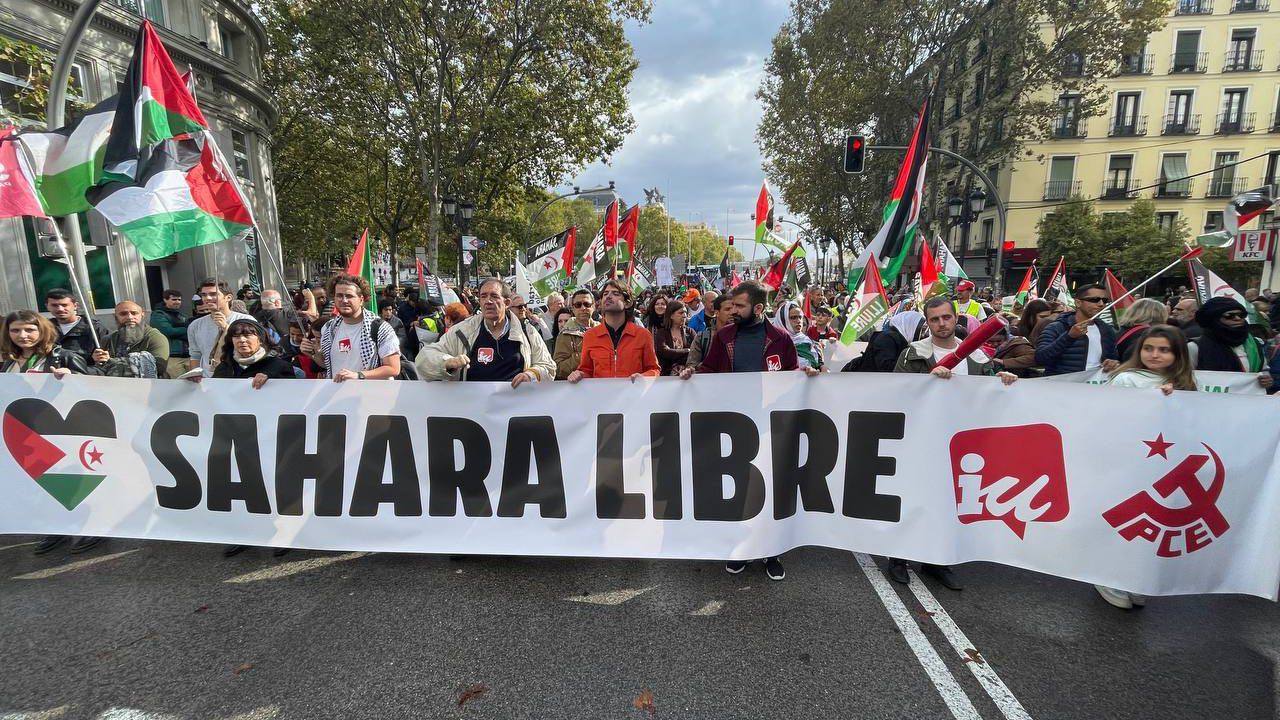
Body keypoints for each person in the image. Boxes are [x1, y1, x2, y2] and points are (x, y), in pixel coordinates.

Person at [679, 280, 819, 582]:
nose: (733, 311)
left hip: (769, 427)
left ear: (758, 308)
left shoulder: (780, 339)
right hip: (735, 427)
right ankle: (741, 547)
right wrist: (693, 372)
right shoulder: (725, 336)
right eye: (732, 306)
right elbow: (710, 370)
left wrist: (804, 375)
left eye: (739, 306)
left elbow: (791, 376)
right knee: (739, 489)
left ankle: (772, 551)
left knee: (769, 490)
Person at [888, 297, 1017, 589]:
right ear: (927, 322)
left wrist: (1004, 381)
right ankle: (898, 557)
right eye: (934, 319)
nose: (941, 324)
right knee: (911, 499)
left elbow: (989, 395)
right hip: (921, 440)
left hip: (961, 444)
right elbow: (897, 392)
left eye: (946, 317)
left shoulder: (978, 358)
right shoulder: (914, 354)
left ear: (955, 317)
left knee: (947, 503)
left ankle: (936, 560)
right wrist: (927, 380)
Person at [1094, 324, 1198, 609]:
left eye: (1164, 350)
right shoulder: (1127, 379)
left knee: (1151, 524)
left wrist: (1177, 399)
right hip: (1128, 462)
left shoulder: (1186, 384)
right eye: (1149, 348)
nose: (1155, 355)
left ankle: (1134, 577)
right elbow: (1107, 414)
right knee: (1124, 519)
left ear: (1178, 355)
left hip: (1163, 468)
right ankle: (1108, 576)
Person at [2, 310, 96, 555]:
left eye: (30, 329)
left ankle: (94, 528)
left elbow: (95, 388)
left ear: (41, 330)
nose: (23, 335)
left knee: (74, 481)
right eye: (16, 330)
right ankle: (57, 528)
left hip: (62, 432)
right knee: (43, 484)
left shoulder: (61, 356)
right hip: (26, 433)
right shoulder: (8, 363)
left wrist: (72, 376)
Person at [210, 319, 298, 557]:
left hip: (273, 439)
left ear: (260, 338)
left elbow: (296, 398)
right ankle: (246, 534)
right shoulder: (224, 369)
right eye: (237, 335)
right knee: (243, 488)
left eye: (248, 334)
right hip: (238, 439)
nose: (242, 339)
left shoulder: (277, 366)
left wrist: (270, 378)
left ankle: (285, 534)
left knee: (276, 486)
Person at [417, 278, 554, 386]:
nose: (488, 301)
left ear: (506, 303)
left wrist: (531, 374)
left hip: (515, 412)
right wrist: (447, 363)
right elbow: (423, 359)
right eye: (483, 296)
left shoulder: (527, 332)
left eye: (494, 296)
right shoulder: (462, 331)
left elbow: (548, 367)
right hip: (474, 413)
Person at [300, 273, 402, 382]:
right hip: (338, 394)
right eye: (339, 295)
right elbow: (328, 364)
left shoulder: (380, 328)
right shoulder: (329, 328)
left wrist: (358, 375)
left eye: (349, 296)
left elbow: (393, 368)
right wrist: (312, 354)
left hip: (371, 395)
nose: (344, 300)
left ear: (361, 299)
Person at [567, 280, 661, 382]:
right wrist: (579, 374)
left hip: (632, 396)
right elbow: (586, 370)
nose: (608, 296)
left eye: (615, 293)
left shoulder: (643, 335)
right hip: (601, 396)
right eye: (605, 294)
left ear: (627, 303)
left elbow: (654, 369)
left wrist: (645, 377)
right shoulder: (590, 336)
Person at [1034, 284, 1118, 376]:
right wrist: (1069, 336)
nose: (1101, 304)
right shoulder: (1057, 327)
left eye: (1105, 300)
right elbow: (1040, 358)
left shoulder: (1107, 330)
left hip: (1096, 386)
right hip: (1062, 386)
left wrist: (1113, 363)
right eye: (1094, 300)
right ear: (1078, 303)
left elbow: (1113, 358)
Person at [1191, 297, 1273, 390]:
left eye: (1241, 315)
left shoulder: (1255, 343)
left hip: (1248, 401)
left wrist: (1266, 379)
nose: (1237, 318)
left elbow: (1263, 370)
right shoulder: (1195, 347)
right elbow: (1185, 378)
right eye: (1229, 315)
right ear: (1214, 319)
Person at [187, 279, 256, 377]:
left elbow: (255, 350)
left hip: (241, 379)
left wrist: (226, 328)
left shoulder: (246, 320)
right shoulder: (195, 325)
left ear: (228, 297)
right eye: (204, 295)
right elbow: (195, 355)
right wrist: (195, 376)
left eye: (213, 294)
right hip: (209, 381)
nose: (208, 298)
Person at [91, 301, 170, 378]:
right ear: (115, 316)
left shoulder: (155, 337)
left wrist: (111, 362)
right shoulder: (108, 339)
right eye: (123, 314)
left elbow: (158, 367)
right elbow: (100, 369)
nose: (129, 317)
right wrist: (97, 359)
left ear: (142, 315)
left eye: (134, 313)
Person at [45, 288, 107, 368]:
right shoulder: (44, 328)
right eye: (54, 305)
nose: (60, 309)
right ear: (47, 306)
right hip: (51, 376)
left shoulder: (94, 328)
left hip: (84, 375)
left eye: (64, 305)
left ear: (75, 306)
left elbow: (107, 359)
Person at [856, 311, 923, 373]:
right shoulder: (887, 339)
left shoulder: (899, 339)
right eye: (920, 328)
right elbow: (886, 368)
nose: (922, 333)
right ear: (910, 325)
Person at [554, 288, 597, 380]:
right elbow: (559, 368)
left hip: (603, 384)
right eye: (578, 305)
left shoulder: (603, 329)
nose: (583, 308)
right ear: (573, 309)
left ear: (593, 306)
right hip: (578, 387)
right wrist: (585, 356)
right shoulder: (565, 334)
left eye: (587, 304)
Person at [152, 289, 191, 379]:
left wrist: (182, 330)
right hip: (172, 357)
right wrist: (186, 329)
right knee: (179, 385)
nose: (177, 302)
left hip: (188, 355)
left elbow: (191, 334)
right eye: (174, 299)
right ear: (165, 300)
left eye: (179, 300)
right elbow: (168, 331)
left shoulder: (182, 316)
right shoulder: (158, 315)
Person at [774, 300, 822, 370]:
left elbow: (816, 364)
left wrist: (821, 366)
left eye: (800, 317)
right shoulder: (774, 343)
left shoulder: (806, 340)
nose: (799, 321)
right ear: (782, 320)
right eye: (793, 317)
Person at [689, 294, 733, 369]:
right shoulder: (703, 337)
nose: (732, 313)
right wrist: (709, 364)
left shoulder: (742, 335)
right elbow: (691, 365)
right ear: (717, 312)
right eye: (727, 309)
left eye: (734, 309)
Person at [653, 299, 696, 376]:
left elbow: (695, 352)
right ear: (671, 315)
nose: (684, 315)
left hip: (688, 375)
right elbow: (663, 352)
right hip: (667, 376)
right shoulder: (662, 332)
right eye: (681, 313)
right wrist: (687, 351)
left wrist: (674, 353)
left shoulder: (690, 332)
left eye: (685, 312)